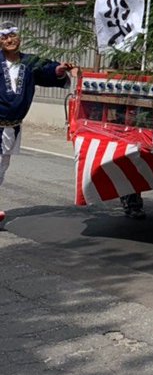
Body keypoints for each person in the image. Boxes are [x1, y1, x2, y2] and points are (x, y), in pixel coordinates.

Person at [0, 22, 75, 226]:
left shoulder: (30, 62)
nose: (9, 40)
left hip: (13, 125)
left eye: (13, 36)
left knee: (2, 165)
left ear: (19, 38)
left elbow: (50, 70)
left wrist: (59, 69)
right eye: (5, 37)